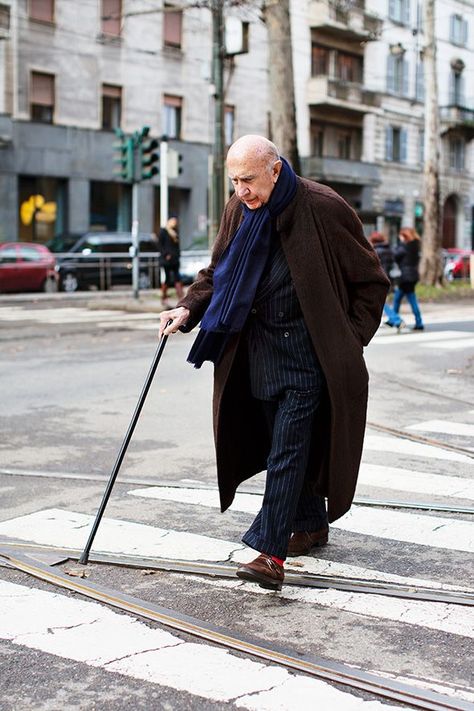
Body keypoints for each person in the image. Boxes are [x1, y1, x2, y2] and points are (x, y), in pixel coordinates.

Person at [159, 135, 389, 591]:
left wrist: (348, 341)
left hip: (310, 359)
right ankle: (309, 524)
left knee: (287, 449)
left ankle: (270, 553)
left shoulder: (322, 207)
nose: (241, 191)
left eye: (248, 180)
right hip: (256, 355)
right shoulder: (238, 210)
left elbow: (371, 281)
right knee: (278, 447)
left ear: (275, 169)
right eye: (234, 181)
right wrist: (187, 309)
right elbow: (218, 272)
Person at [368, 231, 405, 332]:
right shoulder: (389, 250)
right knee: (383, 302)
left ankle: (397, 320)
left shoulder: (375, 251)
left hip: (378, 279)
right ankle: (394, 320)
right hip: (388, 279)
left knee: (382, 303)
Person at [393, 227, 424, 331]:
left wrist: (401, 243)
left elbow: (395, 255)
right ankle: (418, 322)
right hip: (413, 275)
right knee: (407, 298)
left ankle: (395, 320)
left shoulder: (404, 246)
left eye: (401, 235)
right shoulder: (416, 245)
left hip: (405, 276)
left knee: (401, 299)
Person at [158, 216, 184, 306]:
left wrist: (178, 255)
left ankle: (181, 298)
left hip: (175, 259)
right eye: (173, 221)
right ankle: (164, 297)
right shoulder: (163, 232)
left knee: (177, 278)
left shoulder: (175, 231)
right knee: (167, 279)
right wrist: (166, 255)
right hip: (166, 260)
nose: (174, 223)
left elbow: (177, 246)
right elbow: (160, 246)